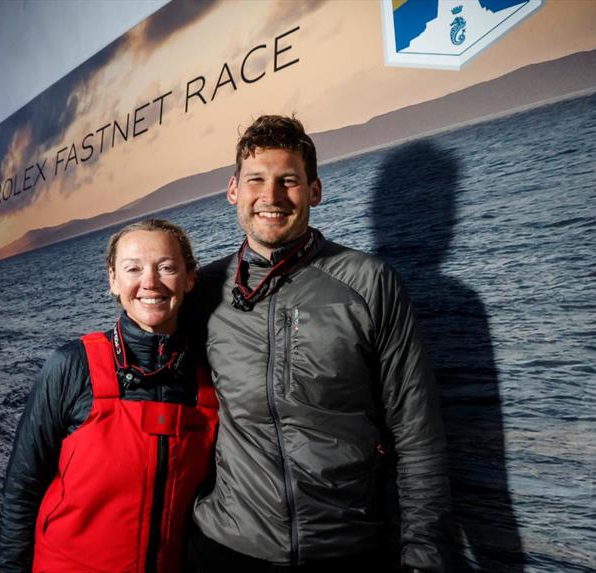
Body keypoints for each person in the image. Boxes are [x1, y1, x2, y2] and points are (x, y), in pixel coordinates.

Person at [188, 116, 451, 572]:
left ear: (315, 191)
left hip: (347, 548)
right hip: (225, 548)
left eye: (288, 180)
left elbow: (416, 430)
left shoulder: (369, 283)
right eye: (256, 180)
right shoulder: (204, 291)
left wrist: (424, 556)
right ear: (233, 190)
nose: (270, 197)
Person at [0, 219, 218, 573]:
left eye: (167, 267)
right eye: (133, 269)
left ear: (190, 278)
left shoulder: (207, 380)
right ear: (113, 280)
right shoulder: (72, 365)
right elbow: (22, 489)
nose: (150, 282)